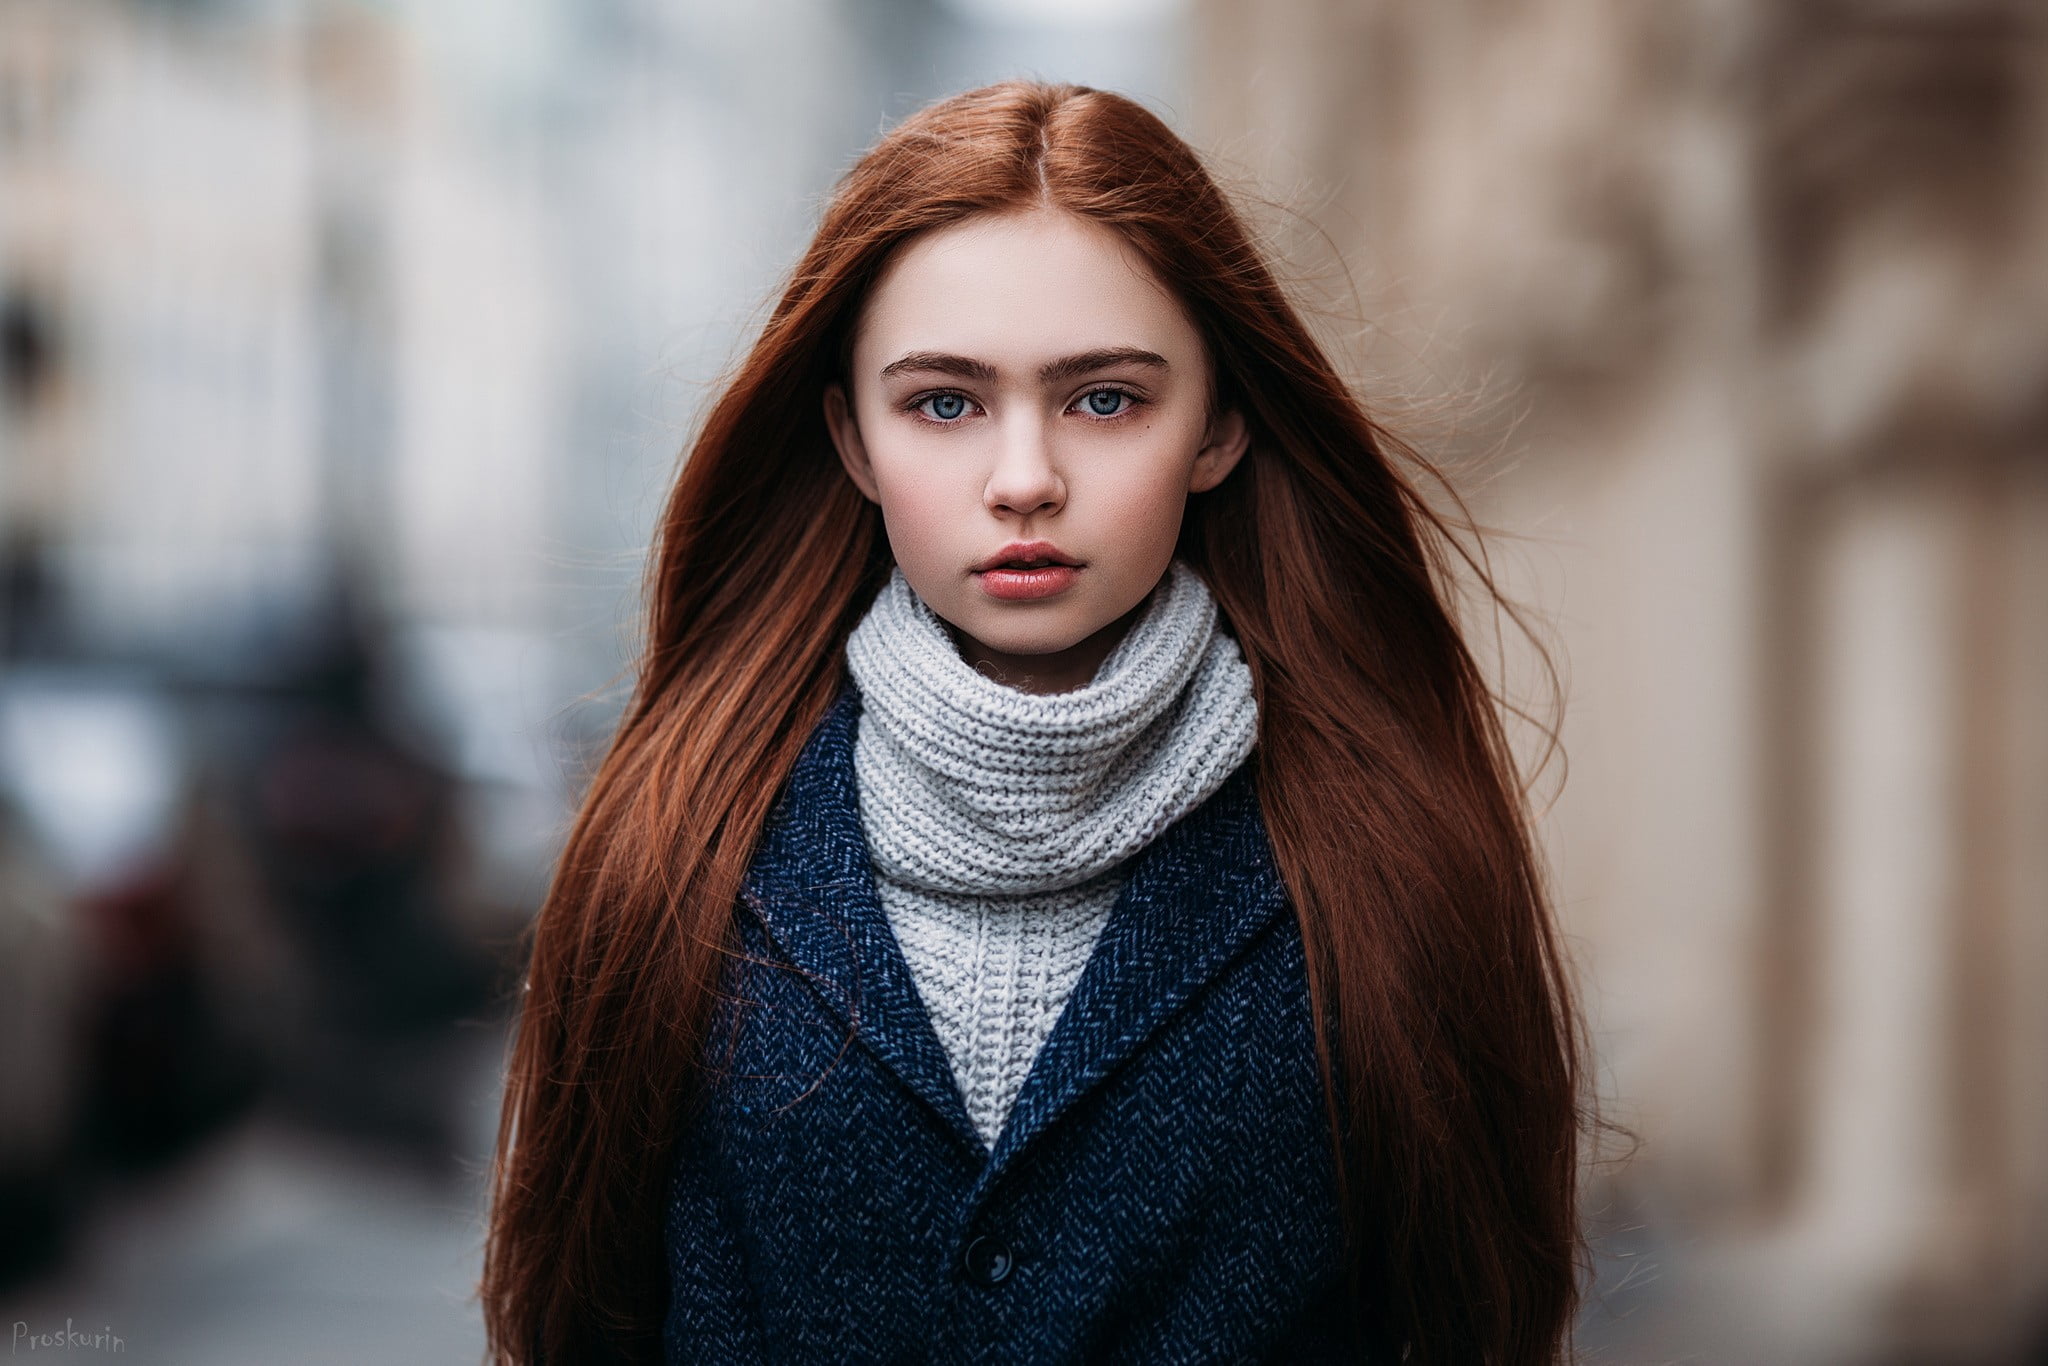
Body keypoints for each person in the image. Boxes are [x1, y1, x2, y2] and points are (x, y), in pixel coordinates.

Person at [480, 79, 1587, 1365]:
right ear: (848, 435)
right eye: (942, 402)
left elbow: (1476, 1317)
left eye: (1104, 398)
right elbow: (577, 1314)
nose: (1023, 480)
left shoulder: (1389, 858)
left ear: (1218, 424)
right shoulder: (674, 845)